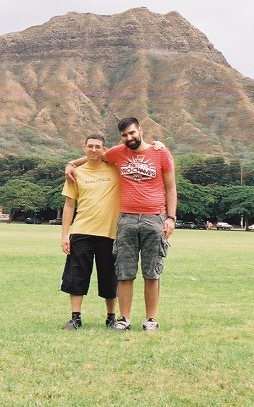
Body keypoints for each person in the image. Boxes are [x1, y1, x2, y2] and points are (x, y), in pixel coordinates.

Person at [67, 118, 177, 332]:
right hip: (126, 219)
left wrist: (170, 218)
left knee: (151, 272)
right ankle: (124, 318)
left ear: (140, 131)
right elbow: (94, 156)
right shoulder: (118, 152)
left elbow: (171, 188)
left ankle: (151, 319)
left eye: (132, 133)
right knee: (124, 272)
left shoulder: (161, 153)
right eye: (125, 135)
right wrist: (71, 164)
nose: (129, 138)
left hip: (154, 218)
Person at [59, 134, 120, 330]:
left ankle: (111, 317)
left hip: (110, 232)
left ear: (104, 149)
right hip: (81, 231)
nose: (94, 150)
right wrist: (64, 235)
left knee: (110, 277)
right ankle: (75, 317)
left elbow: (131, 151)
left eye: (98, 147)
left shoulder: (115, 169)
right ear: (84, 148)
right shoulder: (75, 174)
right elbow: (69, 205)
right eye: (90, 146)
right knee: (77, 275)